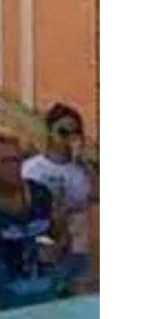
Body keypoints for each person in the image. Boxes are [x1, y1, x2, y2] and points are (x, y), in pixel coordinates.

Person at [0, 127, 70, 312]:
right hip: (4, 303)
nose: (13, 167)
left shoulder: (41, 195)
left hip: (46, 301)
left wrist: (57, 249)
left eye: (16, 160)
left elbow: (63, 236)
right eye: (5, 161)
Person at [23, 103, 97, 293]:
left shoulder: (81, 171)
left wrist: (85, 163)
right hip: (47, 250)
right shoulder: (33, 169)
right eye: (63, 132)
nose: (68, 139)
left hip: (79, 249)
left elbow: (97, 197)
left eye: (75, 133)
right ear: (50, 132)